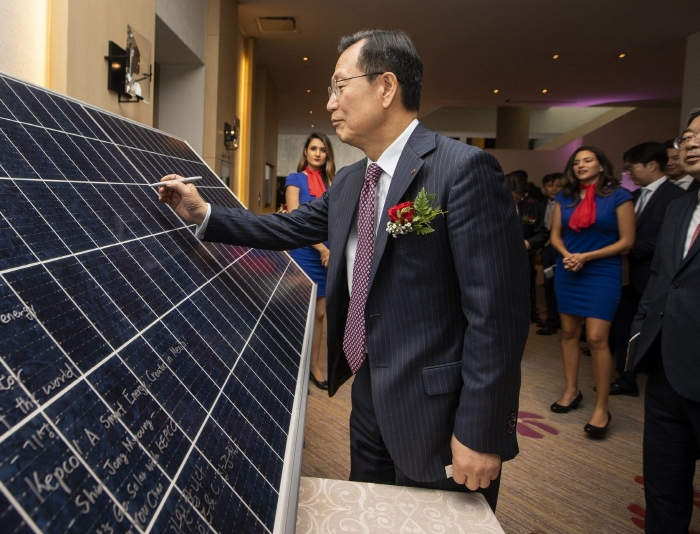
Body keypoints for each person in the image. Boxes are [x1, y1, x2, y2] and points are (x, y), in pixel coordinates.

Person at [159, 29, 529, 510]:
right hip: (370, 391)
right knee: (368, 513)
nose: (330, 102)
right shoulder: (354, 179)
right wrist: (204, 214)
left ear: (386, 87)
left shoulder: (463, 170)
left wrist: (481, 430)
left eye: (339, 85)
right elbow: (286, 229)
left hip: (439, 409)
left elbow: (497, 315)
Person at [630, 96, 700, 532]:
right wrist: (642, 338)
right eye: (686, 137)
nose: (691, 144)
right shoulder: (679, 207)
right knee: (663, 491)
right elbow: (660, 282)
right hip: (665, 374)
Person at [548, 146, 634, 439]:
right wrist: (568, 254)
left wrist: (587, 256)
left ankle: (602, 406)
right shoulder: (565, 197)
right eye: (576, 161)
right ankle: (572, 390)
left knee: (597, 338)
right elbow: (555, 235)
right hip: (568, 269)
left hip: (602, 271)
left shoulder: (619, 197)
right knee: (569, 333)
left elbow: (627, 241)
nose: (581, 165)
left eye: (588, 160)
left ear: (601, 165)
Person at [610, 142, 684, 397]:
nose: (629, 173)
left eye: (632, 167)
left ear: (652, 165)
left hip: (654, 275)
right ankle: (626, 378)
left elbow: (668, 237)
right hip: (629, 275)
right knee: (624, 327)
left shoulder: (676, 196)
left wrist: (630, 247)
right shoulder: (633, 196)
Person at [285, 133, 335, 390]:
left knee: (320, 314)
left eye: (322, 149)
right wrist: (321, 248)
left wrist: (331, 250)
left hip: (327, 254)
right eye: (313, 148)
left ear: (327, 155)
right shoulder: (295, 179)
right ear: (305, 152)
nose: (317, 153)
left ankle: (314, 367)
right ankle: (295, 368)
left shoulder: (331, 183)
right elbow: (295, 219)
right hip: (305, 252)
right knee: (300, 313)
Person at [508, 173, 549, 324]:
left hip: (525, 259)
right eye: (511, 197)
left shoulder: (532, 207)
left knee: (526, 291)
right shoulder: (492, 207)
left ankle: (528, 315)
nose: (514, 200)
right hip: (500, 260)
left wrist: (529, 243)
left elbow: (542, 232)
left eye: (517, 197)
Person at [537, 173, 564, 335]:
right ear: (544, 188)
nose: (554, 189)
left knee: (562, 285)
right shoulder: (540, 205)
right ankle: (553, 320)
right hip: (547, 250)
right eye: (550, 185)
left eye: (558, 185)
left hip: (563, 249)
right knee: (549, 284)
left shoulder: (569, 204)